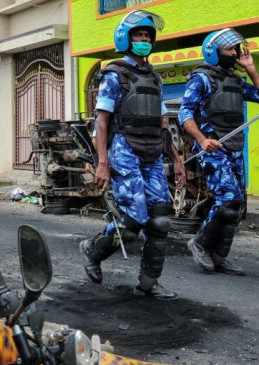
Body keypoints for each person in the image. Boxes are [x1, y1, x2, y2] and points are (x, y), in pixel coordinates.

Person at [79, 9, 186, 300]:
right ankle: (92, 250)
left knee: (161, 220)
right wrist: (103, 162)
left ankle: (148, 284)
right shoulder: (114, 75)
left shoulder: (155, 80)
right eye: (138, 35)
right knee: (131, 224)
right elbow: (101, 121)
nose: (144, 40)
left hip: (153, 152)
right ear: (126, 39)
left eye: (147, 36)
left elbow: (163, 124)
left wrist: (177, 160)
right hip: (124, 151)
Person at [179, 29, 259, 276]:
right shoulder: (201, 79)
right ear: (213, 52)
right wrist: (202, 139)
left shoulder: (235, 80)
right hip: (213, 148)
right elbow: (184, 113)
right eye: (229, 49)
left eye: (236, 49)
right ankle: (199, 243)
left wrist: (251, 67)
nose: (234, 53)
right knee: (227, 199)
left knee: (237, 205)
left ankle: (219, 256)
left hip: (234, 147)